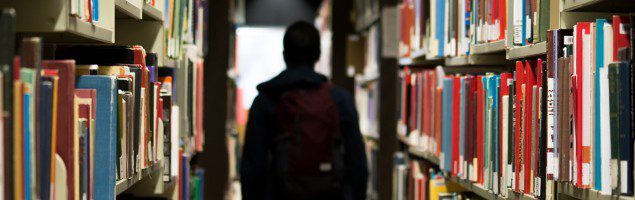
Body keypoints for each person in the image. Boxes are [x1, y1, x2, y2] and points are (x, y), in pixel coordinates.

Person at [240, 21, 368, 200]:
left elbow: (253, 166)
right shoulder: (340, 100)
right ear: (318, 55)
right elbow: (357, 164)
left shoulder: (266, 100)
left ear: (284, 55)